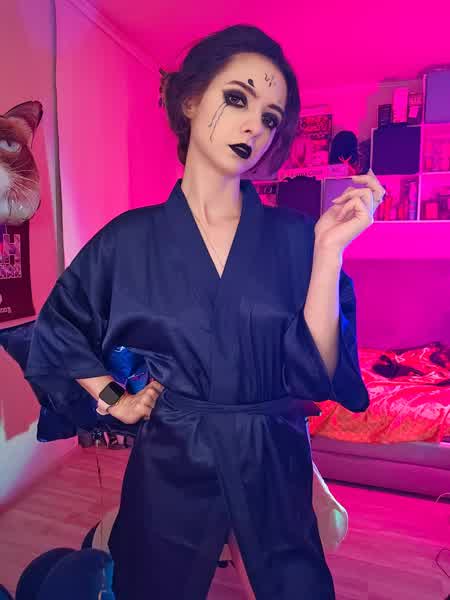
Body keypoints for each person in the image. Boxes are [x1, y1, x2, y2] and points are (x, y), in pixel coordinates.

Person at [25, 24, 385, 600]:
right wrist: (115, 398)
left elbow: (317, 374)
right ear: (190, 100)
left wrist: (328, 253)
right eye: (237, 98)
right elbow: (60, 326)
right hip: (174, 458)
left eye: (270, 118)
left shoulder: (300, 238)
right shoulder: (129, 240)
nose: (254, 126)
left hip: (273, 457)